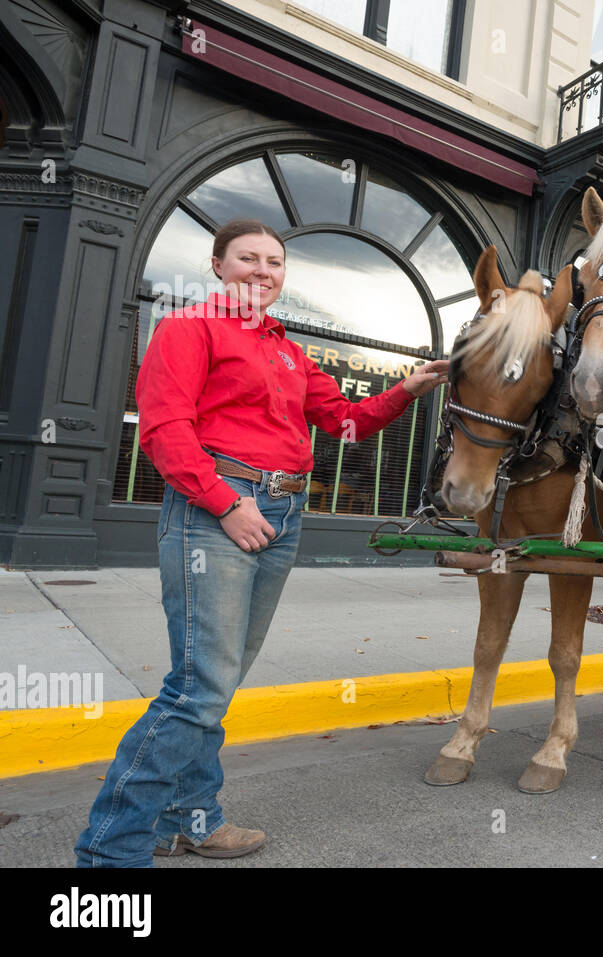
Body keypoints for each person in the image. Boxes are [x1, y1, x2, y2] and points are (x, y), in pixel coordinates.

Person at [74, 219, 449, 867]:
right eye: (247, 258)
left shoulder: (288, 351)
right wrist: (226, 502)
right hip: (217, 508)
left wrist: (408, 389)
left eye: (274, 262)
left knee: (214, 683)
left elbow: (347, 423)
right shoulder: (189, 328)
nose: (262, 271)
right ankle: (111, 851)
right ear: (217, 265)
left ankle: (189, 817)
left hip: (283, 510)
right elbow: (164, 431)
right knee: (200, 688)